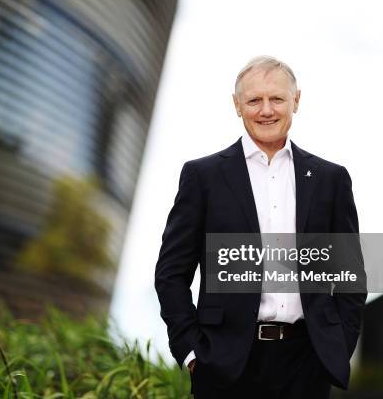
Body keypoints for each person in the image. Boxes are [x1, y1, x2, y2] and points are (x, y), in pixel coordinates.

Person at [154, 56, 367, 398]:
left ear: (296, 101)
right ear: (237, 105)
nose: (266, 110)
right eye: (254, 100)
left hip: (306, 363)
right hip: (223, 364)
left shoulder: (331, 179)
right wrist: (192, 352)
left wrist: (337, 346)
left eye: (277, 99)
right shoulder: (202, 177)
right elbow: (170, 273)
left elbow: (350, 276)